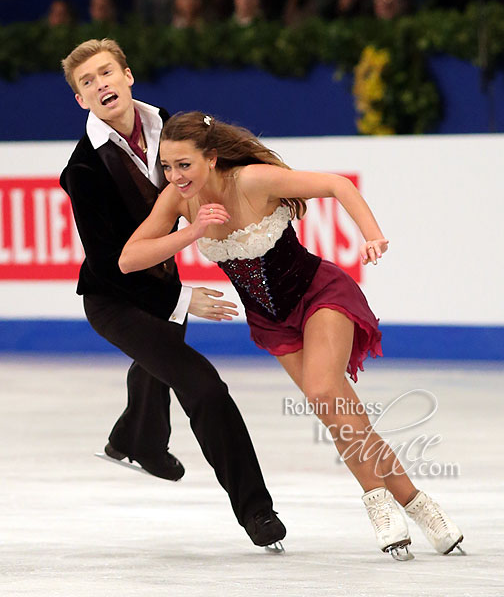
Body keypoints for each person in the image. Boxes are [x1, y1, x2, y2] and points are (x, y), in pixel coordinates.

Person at [119, 111, 465, 560]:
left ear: (211, 157)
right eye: (167, 166)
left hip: (319, 295)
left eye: (184, 164)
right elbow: (130, 259)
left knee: (324, 391)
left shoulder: (252, 180)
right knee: (339, 410)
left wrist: (373, 235)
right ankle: (419, 505)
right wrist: (195, 232)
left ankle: (377, 502)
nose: (174, 175)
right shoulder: (177, 201)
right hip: (271, 321)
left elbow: (339, 186)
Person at [59, 41, 286, 550]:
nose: (101, 85)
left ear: (128, 75)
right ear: (81, 101)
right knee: (200, 383)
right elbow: (106, 263)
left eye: (106, 73)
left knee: (156, 361)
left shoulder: (172, 127)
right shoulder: (84, 171)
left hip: (158, 282)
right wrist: (181, 301)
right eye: (87, 83)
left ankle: (136, 439)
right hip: (113, 298)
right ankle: (257, 511)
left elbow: (226, 163)